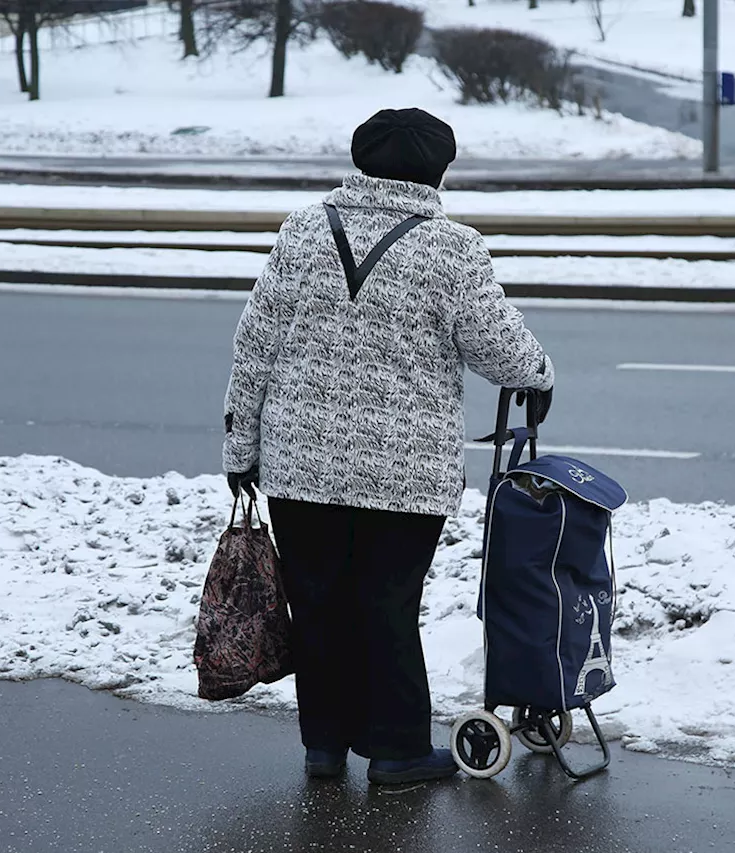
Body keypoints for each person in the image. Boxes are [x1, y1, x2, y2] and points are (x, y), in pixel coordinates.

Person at [222, 108, 554, 785]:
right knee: (388, 605)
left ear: (360, 158)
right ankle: (398, 749)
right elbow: (498, 344)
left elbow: (255, 343)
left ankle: (324, 745)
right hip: (403, 474)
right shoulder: (452, 246)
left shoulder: (304, 229)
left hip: (301, 466)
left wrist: (240, 448)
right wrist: (538, 375)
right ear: (439, 169)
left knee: (316, 604)